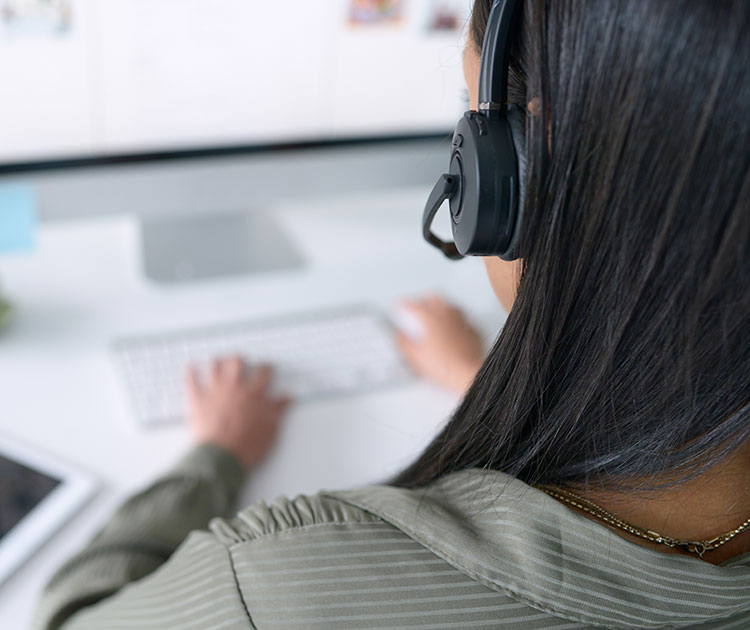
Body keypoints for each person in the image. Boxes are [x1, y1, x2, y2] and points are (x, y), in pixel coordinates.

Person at [34, 0, 750, 628]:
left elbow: (70, 617)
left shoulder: (277, 586)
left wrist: (210, 459)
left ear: (518, 187)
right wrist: (499, 382)